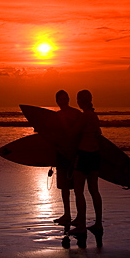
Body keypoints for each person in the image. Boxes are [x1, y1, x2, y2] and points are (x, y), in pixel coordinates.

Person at [70, 90, 103, 242]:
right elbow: (98, 134)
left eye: (78, 99)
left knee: (79, 191)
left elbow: (74, 133)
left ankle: (82, 225)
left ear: (80, 101)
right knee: (94, 190)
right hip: (95, 155)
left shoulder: (84, 116)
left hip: (84, 155)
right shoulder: (94, 116)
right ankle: (97, 223)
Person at [53, 90, 82, 225]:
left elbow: (81, 133)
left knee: (77, 187)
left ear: (68, 99)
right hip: (61, 153)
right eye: (60, 99)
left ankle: (79, 216)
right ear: (57, 101)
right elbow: (52, 134)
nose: (63, 102)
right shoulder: (57, 116)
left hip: (75, 153)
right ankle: (67, 214)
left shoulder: (77, 114)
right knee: (64, 187)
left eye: (65, 99)